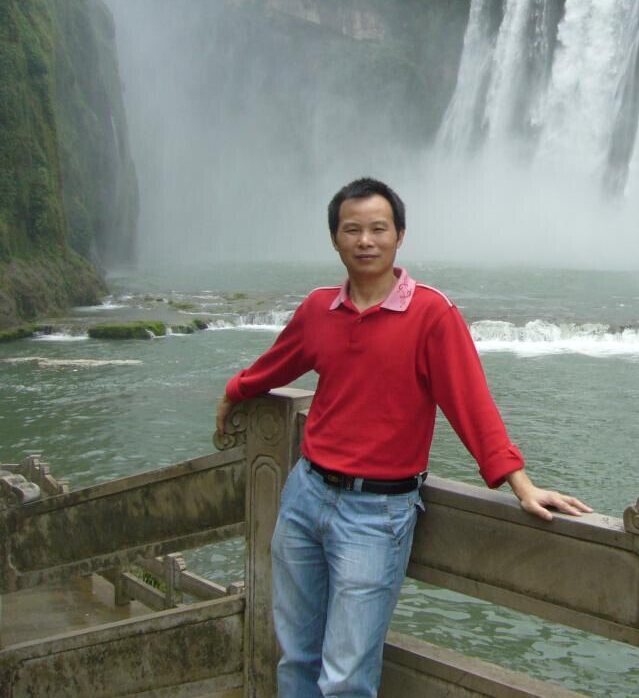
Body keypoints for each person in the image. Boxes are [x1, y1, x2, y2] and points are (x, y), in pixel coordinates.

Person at [214, 177, 591, 698]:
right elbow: (277, 363)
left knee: (346, 677)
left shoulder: (432, 314)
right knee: (296, 657)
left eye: (378, 229)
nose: (365, 241)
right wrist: (235, 391)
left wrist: (520, 483)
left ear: (399, 236)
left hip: (377, 514)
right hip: (305, 496)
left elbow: (470, 403)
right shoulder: (319, 309)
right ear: (335, 239)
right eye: (352, 230)